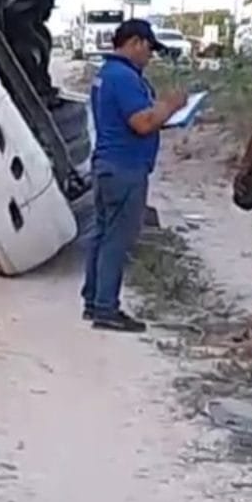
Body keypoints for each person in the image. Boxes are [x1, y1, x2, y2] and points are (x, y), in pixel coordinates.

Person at [81, 19, 187, 332]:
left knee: (101, 235)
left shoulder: (106, 74)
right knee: (117, 238)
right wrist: (170, 107)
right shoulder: (123, 77)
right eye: (149, 49)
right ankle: (106, 309)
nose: (150, 56)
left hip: (108, 165)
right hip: (124, 168)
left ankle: (93, 300)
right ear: (136, 43)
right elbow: (141, 123)